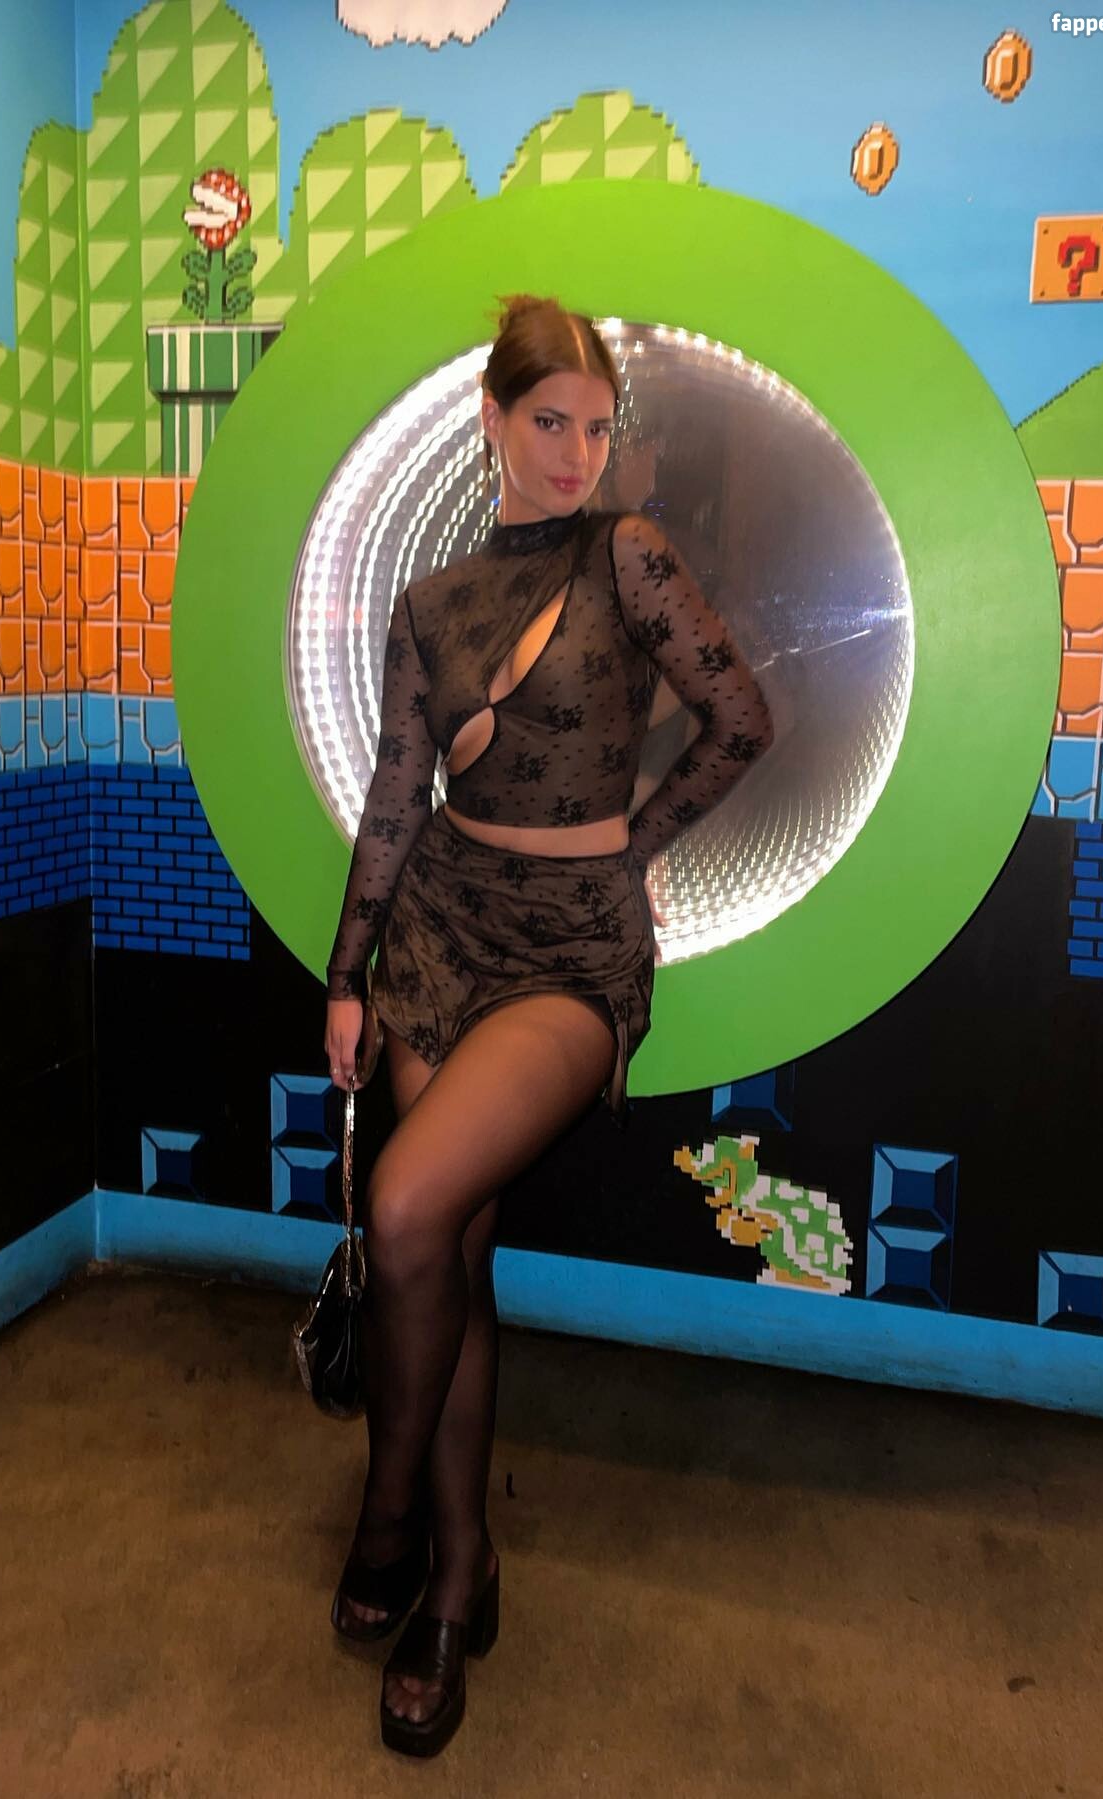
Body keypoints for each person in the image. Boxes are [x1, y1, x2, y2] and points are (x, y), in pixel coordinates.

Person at [321, 294, 774, 1757]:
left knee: (405, 1206)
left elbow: (742, 720)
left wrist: (635, 843)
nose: (578, 451)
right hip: (439, 938)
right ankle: (461, 1572)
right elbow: (396, 799)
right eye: (550, 422)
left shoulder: (627, 555)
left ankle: (397, 1519)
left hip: (574, 955)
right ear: (494, 422)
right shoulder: (431, 600)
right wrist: (347, 974)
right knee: (451, 1250)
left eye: (598, 426)